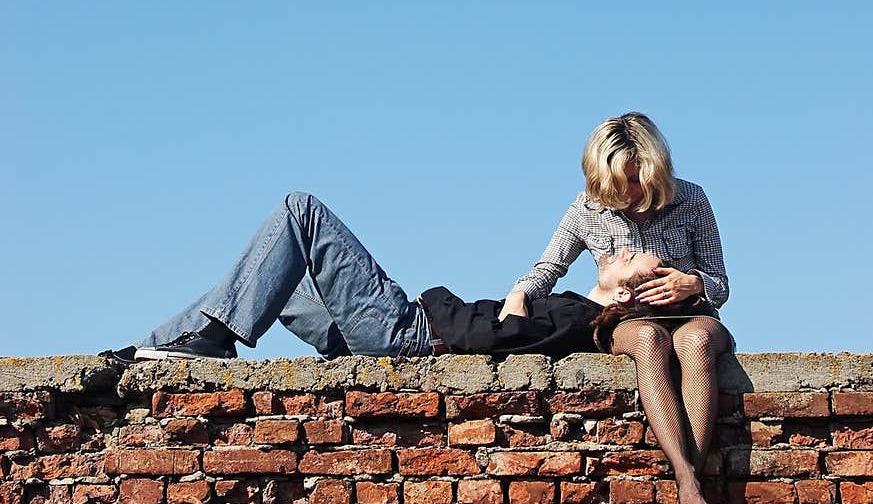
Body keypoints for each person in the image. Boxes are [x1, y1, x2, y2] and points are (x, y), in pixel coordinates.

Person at [499, 112, 732, 504]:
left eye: (637, 180)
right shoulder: (586, 209)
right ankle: (688, 484)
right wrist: (518, 295)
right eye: (621, 182)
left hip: (693, 315)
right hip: (627, 321)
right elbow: (549, 267)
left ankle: (686, 496)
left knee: (695, 342)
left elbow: (722, 284)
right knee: (649, 340)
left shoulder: (693, 200)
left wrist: (694, 282)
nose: (630, 192)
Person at [101, 194, 666, 367]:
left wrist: (516, 298)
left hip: (407, 332)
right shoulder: (571, 303)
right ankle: (150, 352)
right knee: (277, 287)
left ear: (630, 293)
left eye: (643, 259)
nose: (628, 248)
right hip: (391, 337)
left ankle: (217, 342)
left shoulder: (576, 316)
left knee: (301, 212)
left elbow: (506, 340)